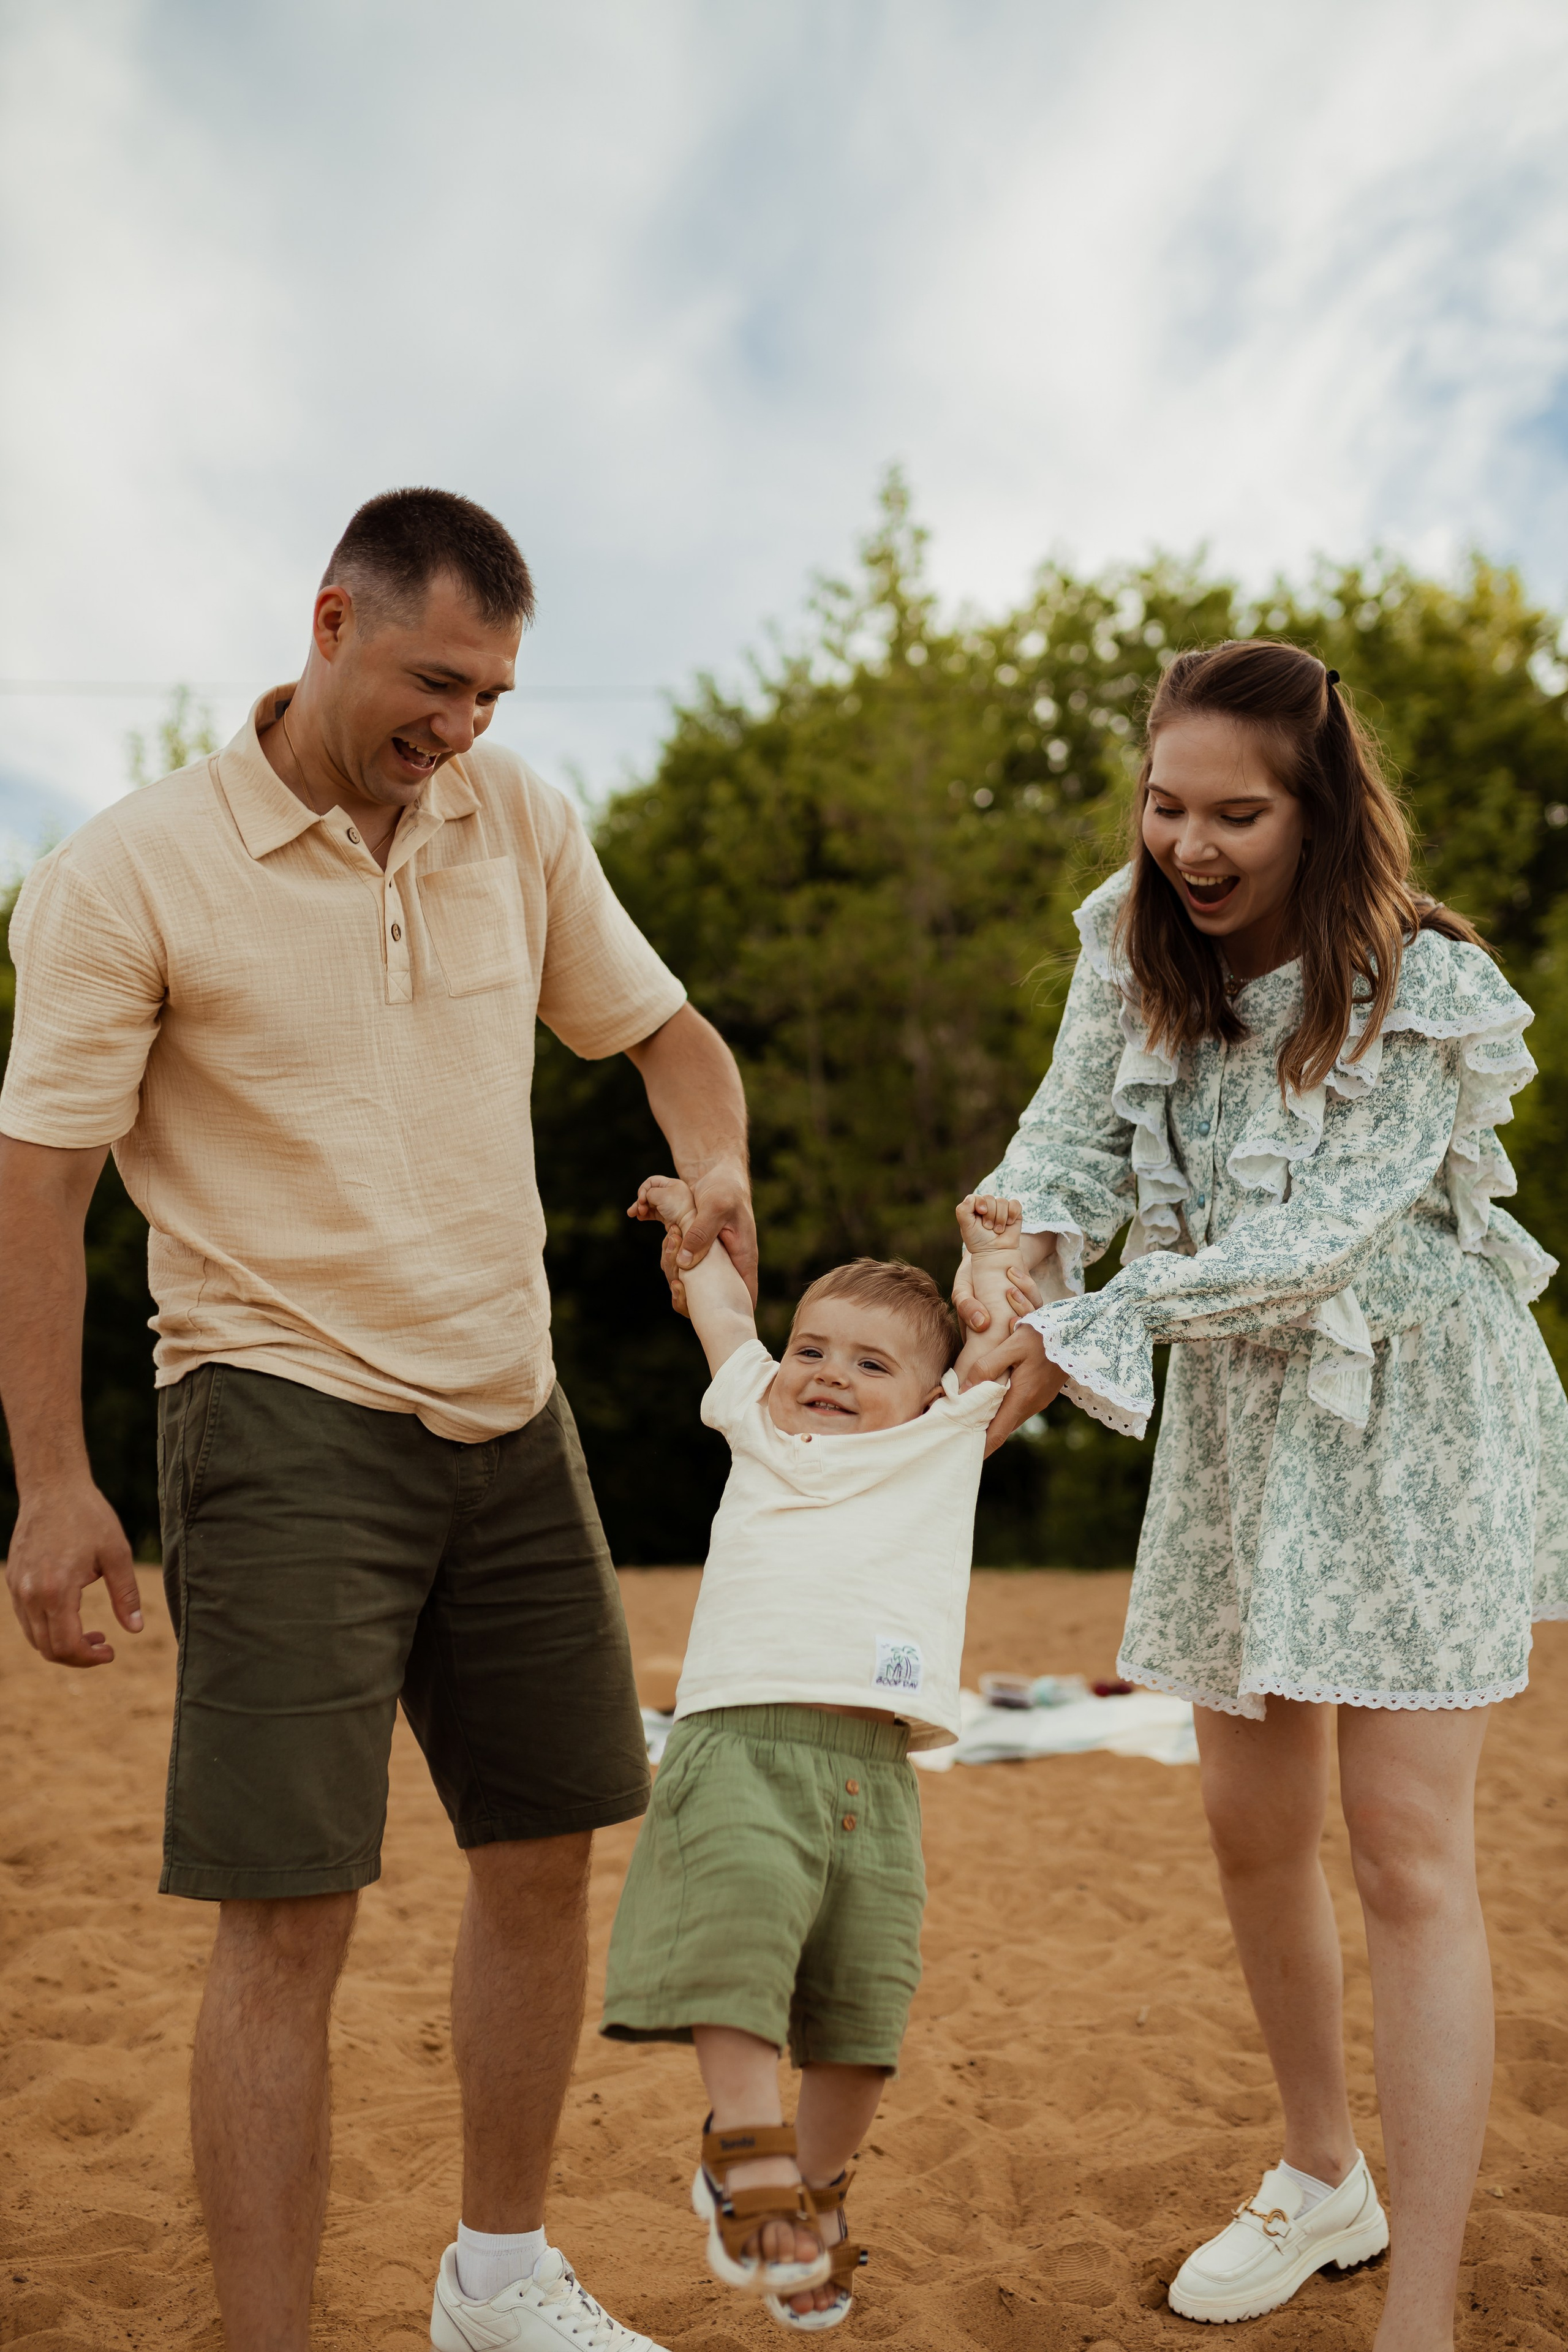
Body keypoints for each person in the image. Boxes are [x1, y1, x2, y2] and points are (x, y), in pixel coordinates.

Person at [0, 489, 756, 2352]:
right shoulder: (128, 872)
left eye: (494, 693)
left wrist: (715, 1170)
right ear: (331, 622)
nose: (465, 729)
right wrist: (50, 1484)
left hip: (513, 1405)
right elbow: (38, 1195)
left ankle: (495, 2283)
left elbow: (669, 1041)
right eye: (436, 682)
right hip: (275, 1414)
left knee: (547, 1847)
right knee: (291, 1914)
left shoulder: (516, 818)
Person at [954, 638, 1568, 2350]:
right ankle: (1323, 2178)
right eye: (1166, 806)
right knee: (1248, 1826)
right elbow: (1064, 1149)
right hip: (1236, 1409)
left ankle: (1423, 2308)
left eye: (1237, 814)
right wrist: (1014, 1257)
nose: (1191, 847)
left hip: (1404, 1409)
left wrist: (1083, 1339)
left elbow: (1314, 1248)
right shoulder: (1127, 939)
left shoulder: (1421, 984)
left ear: (1322, 811)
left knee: (1408, 1853)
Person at [598, 1175, 1006, 2331]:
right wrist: (695, 1230)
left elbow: (1003, 1339)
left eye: (873, 1366)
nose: (829, 1374)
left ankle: (813, 2193)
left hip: (875, 1774)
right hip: (737, 1740)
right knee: (733, 1943)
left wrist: (980, 1259)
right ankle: (746, 2140)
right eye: (813, 1350)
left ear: (932, 1394)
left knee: (863, 2013)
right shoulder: (755, 1418)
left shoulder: (943, 1442)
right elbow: (723, 1309)